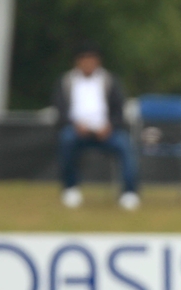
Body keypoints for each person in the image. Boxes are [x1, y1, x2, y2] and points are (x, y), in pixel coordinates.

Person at [52, 42, 139, 210]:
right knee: (66, 139)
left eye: (91, 59)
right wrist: (76, 125)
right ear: (77, 61)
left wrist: (109, 127)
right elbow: (60, 113)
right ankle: (70, 189)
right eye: (84, 59)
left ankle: (129, 193)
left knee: (125, 144)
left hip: (106, 132)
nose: (88, 63)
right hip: (77, 131)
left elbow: (119, 111)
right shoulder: (66, 82)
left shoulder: (110, 81)